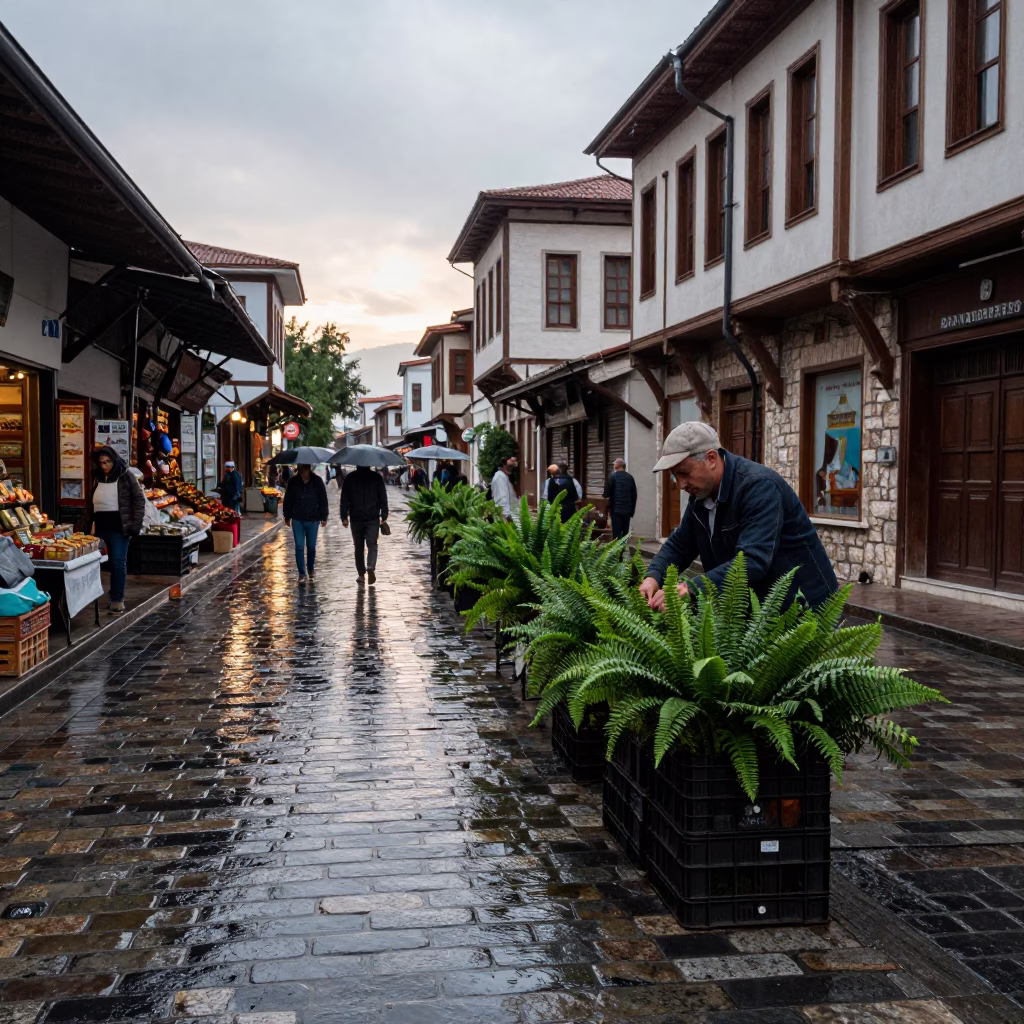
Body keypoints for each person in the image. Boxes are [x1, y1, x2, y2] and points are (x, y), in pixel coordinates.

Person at [639, 421, 839, 612]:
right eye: (675, 476)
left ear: (711, 459)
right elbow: (681, 544)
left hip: (804, 608)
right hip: (761, 613)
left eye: (684, 473)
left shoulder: (760, 487)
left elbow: (752, 561)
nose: (681, 485)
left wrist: (692, 588)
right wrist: (654, 576)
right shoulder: (701, 496)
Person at [88, 445, 145, 614]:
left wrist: (135, 525)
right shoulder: (97, 477)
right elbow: (89, 505)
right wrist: (85, 525)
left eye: (107, 462)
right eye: (101, 463)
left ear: (114, 461)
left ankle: (117, 598)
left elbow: (139, 501)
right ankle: (94, 597)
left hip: (120, 527)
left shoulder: (126, 476)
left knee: (118, 561)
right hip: (100, 525)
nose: (105, 466)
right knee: (94, 563)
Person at [340, 465, 389, 584]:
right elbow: (383, 497)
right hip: (372, 516)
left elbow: (344, 498)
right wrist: (384, 513)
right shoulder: (376, 477)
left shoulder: (350, 478)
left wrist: (344, 516)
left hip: (356, 517)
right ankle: (371, 566)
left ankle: (361, 574)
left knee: (358, 547)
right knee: (372, 543)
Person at [283, 463, 329, 584]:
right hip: (298, 518)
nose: (302, 469)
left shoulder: (317, 481)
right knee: (299, 546)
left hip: (313, 519)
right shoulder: (293, 482)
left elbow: (323, 499)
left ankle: (311, 569)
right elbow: (288, 499)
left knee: (311, 546)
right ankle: (302, 573)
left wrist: (324, 516)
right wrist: (287, 515)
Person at [604, 458, 638, 540]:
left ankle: (617, 552)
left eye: (614, 464)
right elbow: (634, 495)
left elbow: (606, 494)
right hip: (627, 510)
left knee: (616, 533)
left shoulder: (613, 477)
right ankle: (623, 550)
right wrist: (632, 511)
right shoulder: (630, 478)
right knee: (624, 533)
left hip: (616, 510)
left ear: (616, 466)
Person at [489, 455, 519, 520]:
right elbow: (502, 499)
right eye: (510, 466)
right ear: (503, 464)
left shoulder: (504, 477)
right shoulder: (500, 477)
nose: (512, 468)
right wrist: (506, 517)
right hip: (506, 518)